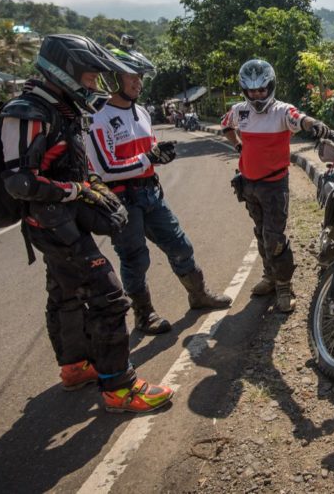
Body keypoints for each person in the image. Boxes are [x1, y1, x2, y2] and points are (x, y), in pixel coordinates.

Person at [0, 33, 173, 413]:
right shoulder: (28, 111)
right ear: (65, 72)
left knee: (65, 293)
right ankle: (119, 387)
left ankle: (75, 366)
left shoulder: (61, 108)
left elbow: (71, 164)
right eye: (91, 78)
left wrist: (91, 186)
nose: (95, 85)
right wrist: (76, 190)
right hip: (51, 222)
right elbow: (20, 182)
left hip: (63, 219)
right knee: (109, 295)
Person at [85, 46, 231, 336]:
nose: (138, 82)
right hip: (122, 198)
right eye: (131, 76)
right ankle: (144, 314)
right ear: (113, 78)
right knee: (135, 258)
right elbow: (104, 169)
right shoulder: (97, 118)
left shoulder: (140, 112)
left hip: (151, 193)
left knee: (180, 245)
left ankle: (198, 294)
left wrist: (158, 156)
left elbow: (145, 154)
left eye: (140, 76)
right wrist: (148, 159)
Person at [220, 59, 331, 313]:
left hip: (274, 186)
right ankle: (270, 276)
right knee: (260, 233)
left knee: (274, 237)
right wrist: (238, 146)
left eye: (261, 90)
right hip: (248, 184)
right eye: (251, 91)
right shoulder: (240, 111)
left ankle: (284, 285)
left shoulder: (282, 111)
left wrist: (314, 125)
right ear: (244, 90)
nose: (257, 95)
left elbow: (300, 118)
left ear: (270, 87)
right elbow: (226, 125)